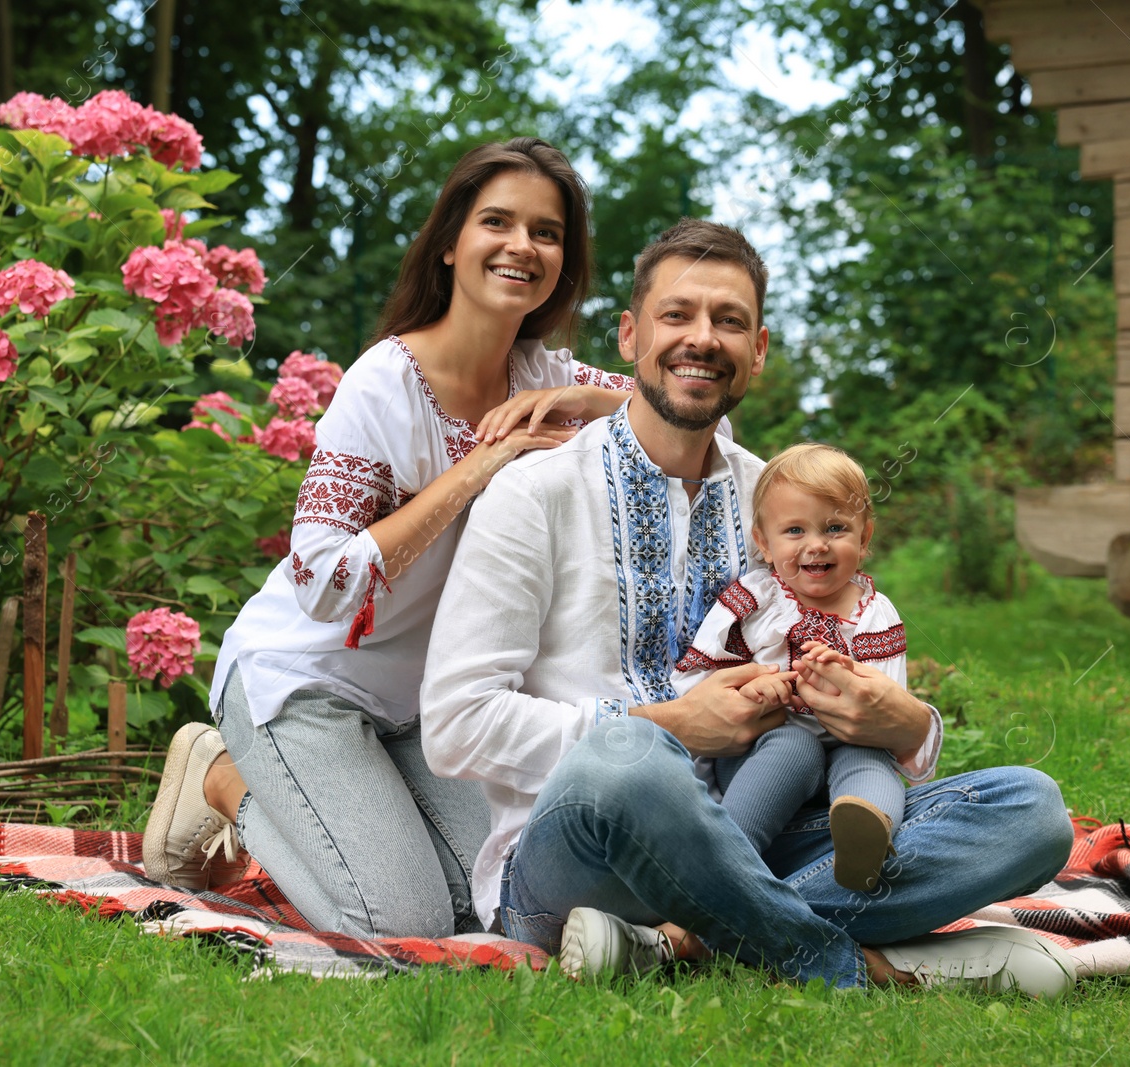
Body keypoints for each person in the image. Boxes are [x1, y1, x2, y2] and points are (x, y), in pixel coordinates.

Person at [421, 218, 1077, 994]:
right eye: (678, 315)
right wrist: (674, 723)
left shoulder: (775, 500)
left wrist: (904, 724)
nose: (703, 338)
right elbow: (456, 725)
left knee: (1031, 809)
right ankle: (845, 964)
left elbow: (859, 652)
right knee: (630, 759)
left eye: (729, 321)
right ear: (630, 336)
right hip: (582, 851)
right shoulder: (536, 493)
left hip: (763, 826)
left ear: (757, 349)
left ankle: (683, 943)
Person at [141, 137, 641, 939]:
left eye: (547, 232)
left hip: (423, 704)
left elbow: (679, 402)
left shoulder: (547, 379)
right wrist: (482, 464)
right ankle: (221, 776)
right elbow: (323, 579)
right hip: (306, 677)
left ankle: (361, 817)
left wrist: (582, 398)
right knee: (391, 917)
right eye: (498, 222)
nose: (522, 246)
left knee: (490, 897)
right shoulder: (384, 381)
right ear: (450, 244)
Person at [677, 442, 909, 894]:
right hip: (762, 747)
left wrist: (849, 682)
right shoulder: (755, 600)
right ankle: (723, 864)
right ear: (763, 542)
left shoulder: (875, 613)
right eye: (795, 530)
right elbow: (701, 675)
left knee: (871, 759)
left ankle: (865, 832)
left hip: (846, 744)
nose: (816, 545)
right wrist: (752, 692)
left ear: (864, 540)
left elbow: (886, 702)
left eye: (836, 527)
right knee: (794, 744)